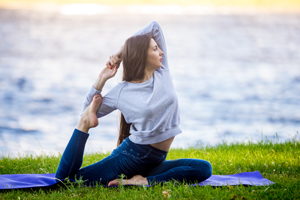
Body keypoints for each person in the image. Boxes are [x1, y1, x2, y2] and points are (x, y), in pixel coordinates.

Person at [55, 21, 212, 186]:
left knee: (203, 168)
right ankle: (83, 126)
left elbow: (154, 27)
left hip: (154, 161)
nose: (162, 52)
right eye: (155, 49)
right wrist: (101, 80)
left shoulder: (162, 72)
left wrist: (120, 53)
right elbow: (88, 110)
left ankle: (143, 181)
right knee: (66, 181)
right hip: (131, 157)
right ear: (141, 55)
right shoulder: (123, 91)